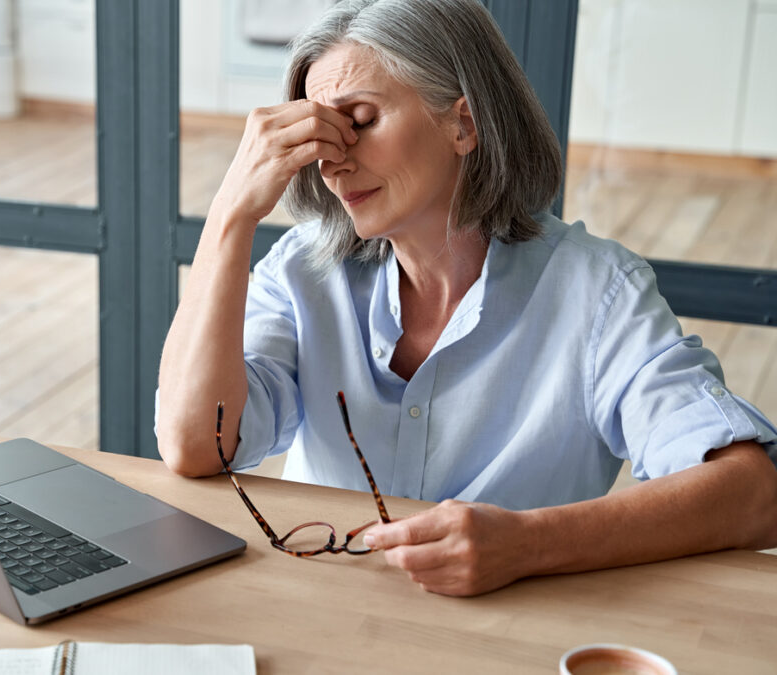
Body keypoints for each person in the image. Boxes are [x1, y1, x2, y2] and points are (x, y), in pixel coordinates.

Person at [155, 0, 777, 596]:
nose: (332, 163)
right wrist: (230, 213)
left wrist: (528, 543)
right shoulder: (303, 271)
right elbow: (194, 446)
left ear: (464, 124)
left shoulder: (597, 293)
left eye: (360, 122)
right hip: (326, 611)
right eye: (320, 136)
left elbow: (753, 491)